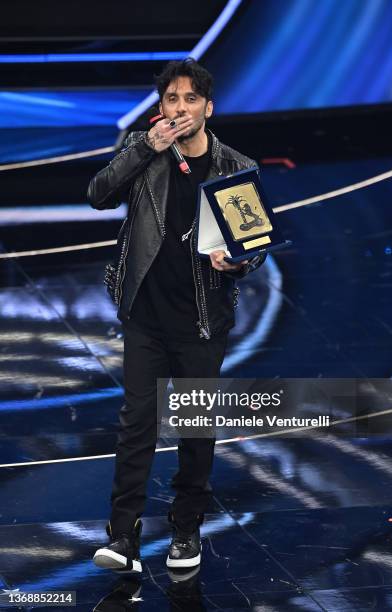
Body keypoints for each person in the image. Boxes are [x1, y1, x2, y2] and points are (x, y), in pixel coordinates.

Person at [87, 58, 266, 573]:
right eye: (171, 99)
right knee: (136, 426)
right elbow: (98, 195)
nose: (181, 109)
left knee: (194, 430)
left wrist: (238, 260)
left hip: (202, 320)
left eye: (190, 99)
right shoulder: (144, 152)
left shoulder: (234, 166)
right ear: (160, 107)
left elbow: (253, 245)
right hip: (145, 314)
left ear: (208, 108)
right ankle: (122, 537)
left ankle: (186, 530)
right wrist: (147, 147)